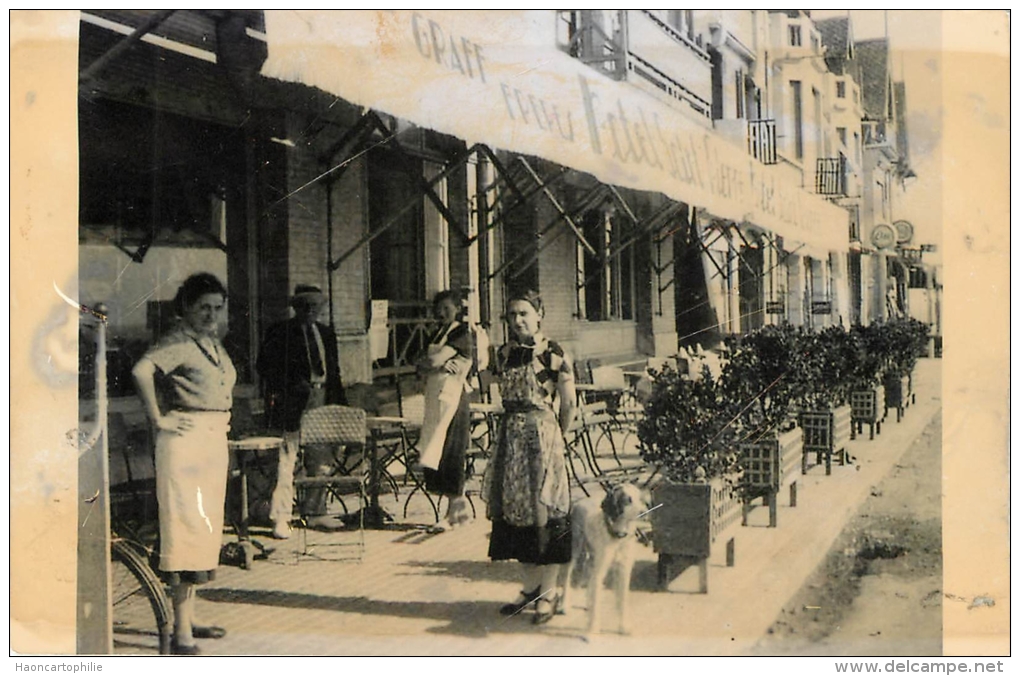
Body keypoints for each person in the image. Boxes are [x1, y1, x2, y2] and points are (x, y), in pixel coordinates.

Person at [131, 273, 234, 655]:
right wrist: (158, 419)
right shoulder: (176, 341)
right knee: (186, 531)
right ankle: (180, 633)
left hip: (210, 440)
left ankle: (188, 619)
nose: (211, 314)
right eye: (203, 307)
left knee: (203, 530)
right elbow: (141, 371)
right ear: (186, 308)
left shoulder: (209, 343)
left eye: (217, 308)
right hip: (186, 443)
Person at [482, 290, 577, 625]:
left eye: (524, 313)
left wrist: (556, 438)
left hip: (543, 439)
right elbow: (486, 384)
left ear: (540, 313)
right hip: (511, 442)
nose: (517, 320)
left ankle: (549, 592)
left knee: (546, 512)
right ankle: (529, 588)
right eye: (511, 315)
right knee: (516, 514)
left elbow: (568, 403)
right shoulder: (504, 353)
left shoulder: (552, 352)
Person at [256, 285, 347, 538]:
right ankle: (281, 517)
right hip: (291, 404)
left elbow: (334, 371)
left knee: (321, 461)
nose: (310, 310)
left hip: (322, 399)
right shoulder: (281, 331)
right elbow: (264, 367)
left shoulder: (326, 333)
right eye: (305, 306)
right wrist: (290, 386)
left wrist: (339, 405)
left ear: (322, 308)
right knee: (285, 462)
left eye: (315, 306)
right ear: (295, 307)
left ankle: (316, 512)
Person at [415, 290, 474, 531]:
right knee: (435, 449)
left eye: (447, 309)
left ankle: (453, 513)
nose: (442, 313)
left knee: (451, 450)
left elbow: (430, 362)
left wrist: (431, 364)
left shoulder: (462, 332)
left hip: (453, 397)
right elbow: (419, 363)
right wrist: (431, 364)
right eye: (439, 309)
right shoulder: (437, 333)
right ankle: (458, 510)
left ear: (458, 309)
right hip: (434, 398)